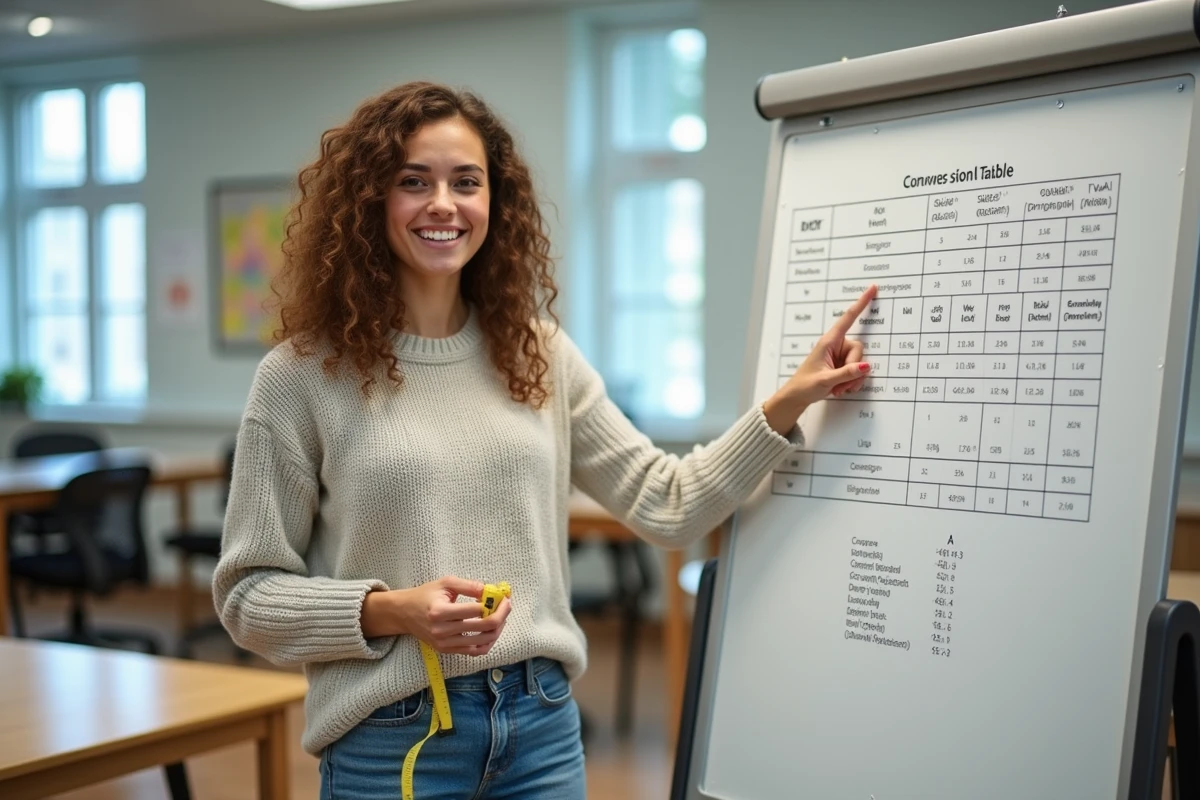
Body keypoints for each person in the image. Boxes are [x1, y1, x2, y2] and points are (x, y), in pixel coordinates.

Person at [212, 80, 876, 799]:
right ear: (371, 201)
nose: (444, 204)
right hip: (389, 736)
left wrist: (788, 402)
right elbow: (248, 596)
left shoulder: (539, 354)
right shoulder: (301, 377)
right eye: (413, 182)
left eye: (466, 182)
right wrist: (394, 610)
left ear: (495, 202)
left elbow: (668, 502)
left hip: (541, 730)